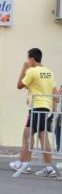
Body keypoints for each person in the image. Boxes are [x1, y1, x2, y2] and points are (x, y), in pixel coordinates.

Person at [9, 48, 58, 177]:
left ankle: (27, 163)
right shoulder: (49, 72)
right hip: (45, 107)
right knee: (30, 133)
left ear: (31, 59)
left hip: (36, 107)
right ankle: (27, 163)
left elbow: (19, 85)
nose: (27, 62)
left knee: (37, 135)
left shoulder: (32, 71)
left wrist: (24, 68)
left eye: (27, 60)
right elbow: (53, 92)